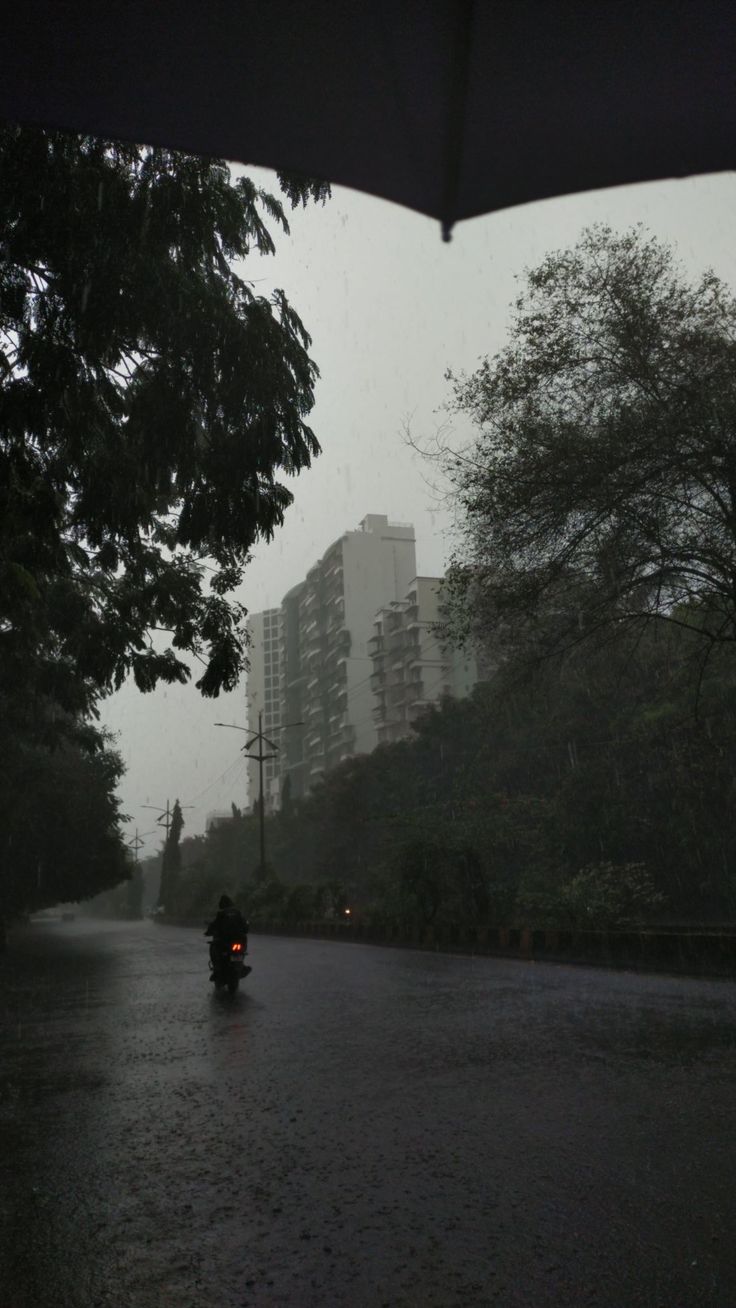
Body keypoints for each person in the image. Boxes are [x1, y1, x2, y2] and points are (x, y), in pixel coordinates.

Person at [205, 894, 249, 971]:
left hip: (226, 941)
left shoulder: (221, 914)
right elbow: (246, 926)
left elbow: (214, 925)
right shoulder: (238, 912)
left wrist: (208, 932)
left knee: (214, 946)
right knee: (242, 950)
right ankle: (241, 966)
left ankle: (217, 968)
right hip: (239, 941)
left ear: (221, 904)